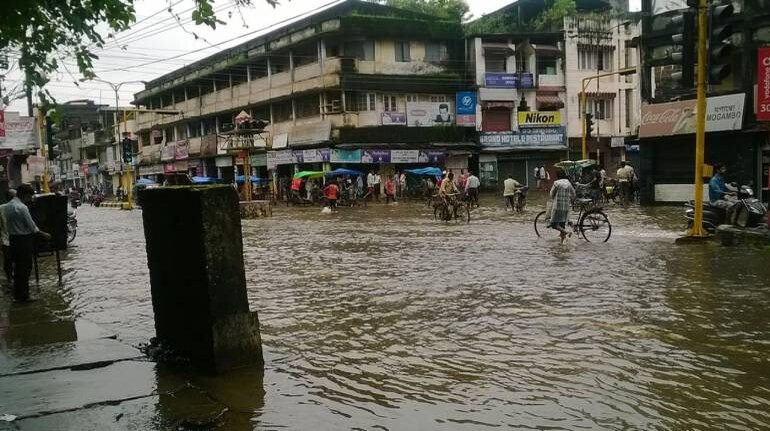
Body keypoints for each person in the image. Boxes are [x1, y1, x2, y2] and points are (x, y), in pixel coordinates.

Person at [2, 184, 51, 302]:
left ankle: (18, 295)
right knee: (25, 269)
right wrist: (45, 235)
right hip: (23, 241)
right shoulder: (22, 207)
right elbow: (32, 227)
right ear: (25, 195)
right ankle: (24, 296)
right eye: (29, 197)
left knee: (18, 269)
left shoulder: (7, 206)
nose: (30, 200)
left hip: (13, 240)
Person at [549, 169, 576, 244]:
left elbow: (551, 194)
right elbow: (573, 194)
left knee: (553, 224)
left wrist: (554, 197)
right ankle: (561, 243)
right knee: (562, 225)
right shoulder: (568, 183)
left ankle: (567, 233)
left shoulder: (556, 183)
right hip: (566, 207)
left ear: (557, 176)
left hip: (557, 207)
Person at [0, 189, 15, 286]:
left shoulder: (20, 207)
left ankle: (13, 277)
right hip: (6, 239)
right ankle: (9, 277)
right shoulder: (1, 208)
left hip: (17, 238)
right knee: (8, 259)